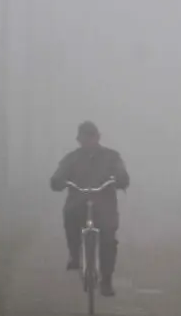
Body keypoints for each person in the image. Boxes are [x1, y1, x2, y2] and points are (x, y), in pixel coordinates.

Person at [50, 121, 130, 296]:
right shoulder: (72, 158)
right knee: (70, 217)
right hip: (77, 202)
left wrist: (121, 180)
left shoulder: (111, 157)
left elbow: (122, 174)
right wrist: (58, 181)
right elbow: (59, 175)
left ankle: (106, 280)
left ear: (98, 137)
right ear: (79, 140)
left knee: (108, 239)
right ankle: (75, 254)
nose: (88, 141)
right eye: (84, 138)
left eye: (91, 137)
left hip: (105, 205)